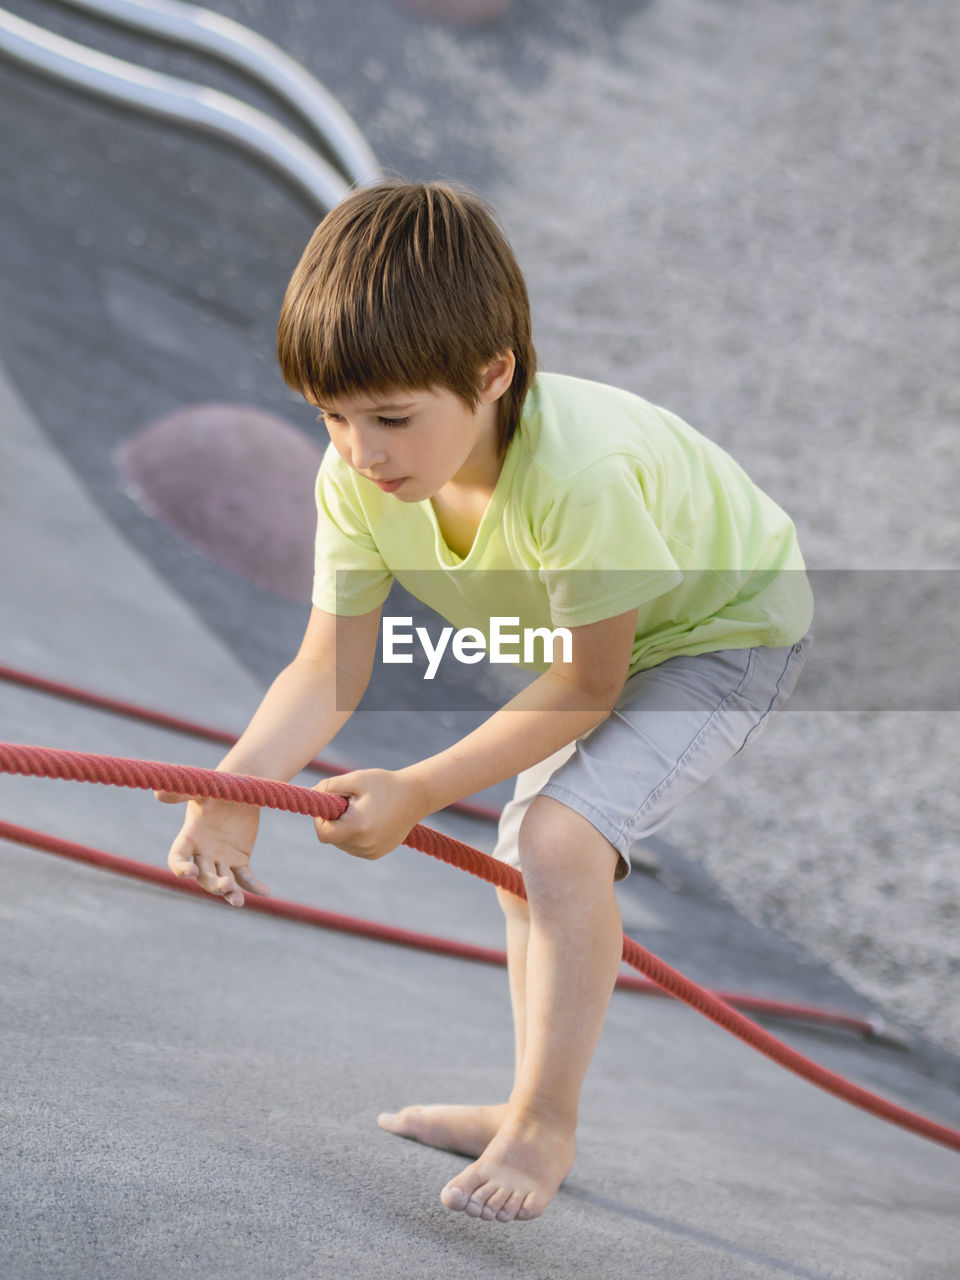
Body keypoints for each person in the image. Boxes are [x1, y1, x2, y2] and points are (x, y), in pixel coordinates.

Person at [160, 179, 813, 1224]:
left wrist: (415, 786)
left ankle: (546, 1123)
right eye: (330, 417)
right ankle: (523, 1101)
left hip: (719, 629)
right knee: (527, 853)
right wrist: (236, 785)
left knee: (556, 842)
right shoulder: (358, 482)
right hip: (587, 628)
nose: (362, 452)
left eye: (391, 417)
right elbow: (328, 667)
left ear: (494, 373)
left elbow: (592, 683)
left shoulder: (579, 476)